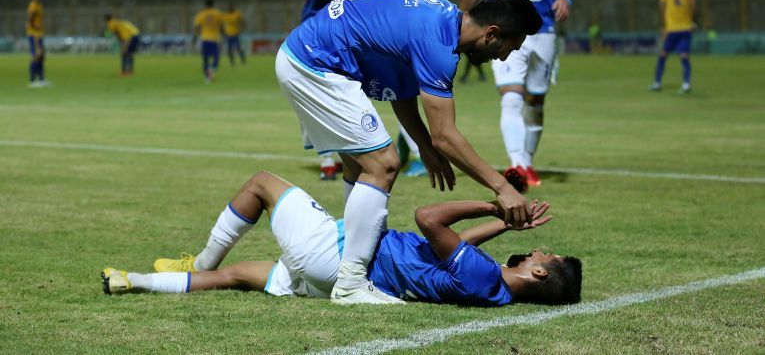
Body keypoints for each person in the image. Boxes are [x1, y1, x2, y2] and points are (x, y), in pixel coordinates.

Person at [269, 0, 542, 305]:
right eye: (510, 47)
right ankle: (351, 282)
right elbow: (446, 135)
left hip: (305, 55)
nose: (504, 57)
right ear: (491, 33)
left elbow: (399, 87)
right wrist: (503, 188)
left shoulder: (442, 20)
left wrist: (424, 145)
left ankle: (360, 260)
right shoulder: (439, 44)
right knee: (383, 163)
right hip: (314, 63)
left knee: (359, 163)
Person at [103, 170, 582, 308]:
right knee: (237, 277)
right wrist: (506, 223)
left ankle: (198, 261)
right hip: (332, 278)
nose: (539, 249)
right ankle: (135, 281)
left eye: (545, 254)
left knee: (261, 183)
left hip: (343, 253)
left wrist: (495, 205)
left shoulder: (483, 276)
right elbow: (462, 244)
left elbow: (428, 217)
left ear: (539, 272)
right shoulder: (491, 288)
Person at [459, 0, 574, 189]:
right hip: (505, 32)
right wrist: (459, 19)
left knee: (535, 99)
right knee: (511, 98)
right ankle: (518, 165)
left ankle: (527, 162)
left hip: (543, 29)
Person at [290, 0, 363, 180]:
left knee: (349, 89)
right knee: (313, 89)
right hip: (316, 25)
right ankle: (327, 159)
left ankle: (350, 151)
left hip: (347, 25)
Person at [366, 0, 441, 178]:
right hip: (420, 26)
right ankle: (407, 147)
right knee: (407, 86)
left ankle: (420, 154)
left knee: (398, 88)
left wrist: (368, 14)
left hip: (392, 26)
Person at [651, 0, 696, 94]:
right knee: (684, 56)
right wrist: (692, 21)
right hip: (685, 28)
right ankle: (686, 84)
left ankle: (657, 83)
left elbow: (661, 9)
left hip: (671, 28)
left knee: (663, 56)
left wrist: (663, 26)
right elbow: (693, 7)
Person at [193, 0, 224, 83]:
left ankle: (207, 77)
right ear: (213, 4)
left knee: (205, 59)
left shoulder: (201, 14)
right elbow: (221, 26)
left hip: (204, 39)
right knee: (216, 57)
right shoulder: (217, 13)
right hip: (214, 39)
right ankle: (211, 70)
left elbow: (197, 27)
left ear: (205, 5)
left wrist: (195, 38)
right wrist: (223, 35)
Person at [26, 0, 50, 87]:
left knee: (41, 56)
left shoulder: (39, 5)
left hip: (39, 33)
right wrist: (35, 26)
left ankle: (41, 79)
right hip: (34, 34)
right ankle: (32, 81)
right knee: (36, 56)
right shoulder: (33, 5)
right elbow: (30, 19)